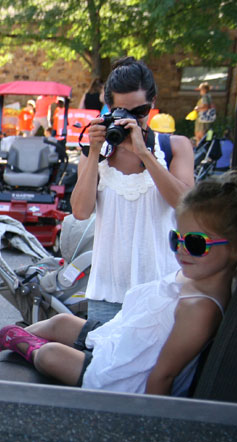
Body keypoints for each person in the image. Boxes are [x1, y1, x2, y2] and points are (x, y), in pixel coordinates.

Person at [0, 171, 237, 396]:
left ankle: (20, 343)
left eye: (196, 243)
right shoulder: (199, 274)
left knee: (51, 355)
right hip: (124, 346)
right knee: (62, 321)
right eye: (176, 238)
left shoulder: (200, 309)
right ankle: (0, 345)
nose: (182, 250)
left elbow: (163, 376)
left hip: (125, 377)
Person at [71, 56, 195, 322]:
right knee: (101, 362)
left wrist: (145, 154)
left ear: (154, 103)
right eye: (123, 113)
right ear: (109, 109)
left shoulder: (175, 147)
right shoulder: (97, 152)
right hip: (107, 291)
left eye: (140, 112)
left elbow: (187, 205)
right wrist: (93, 153)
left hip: (164, 289)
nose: (134, 122)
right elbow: (81, 211)